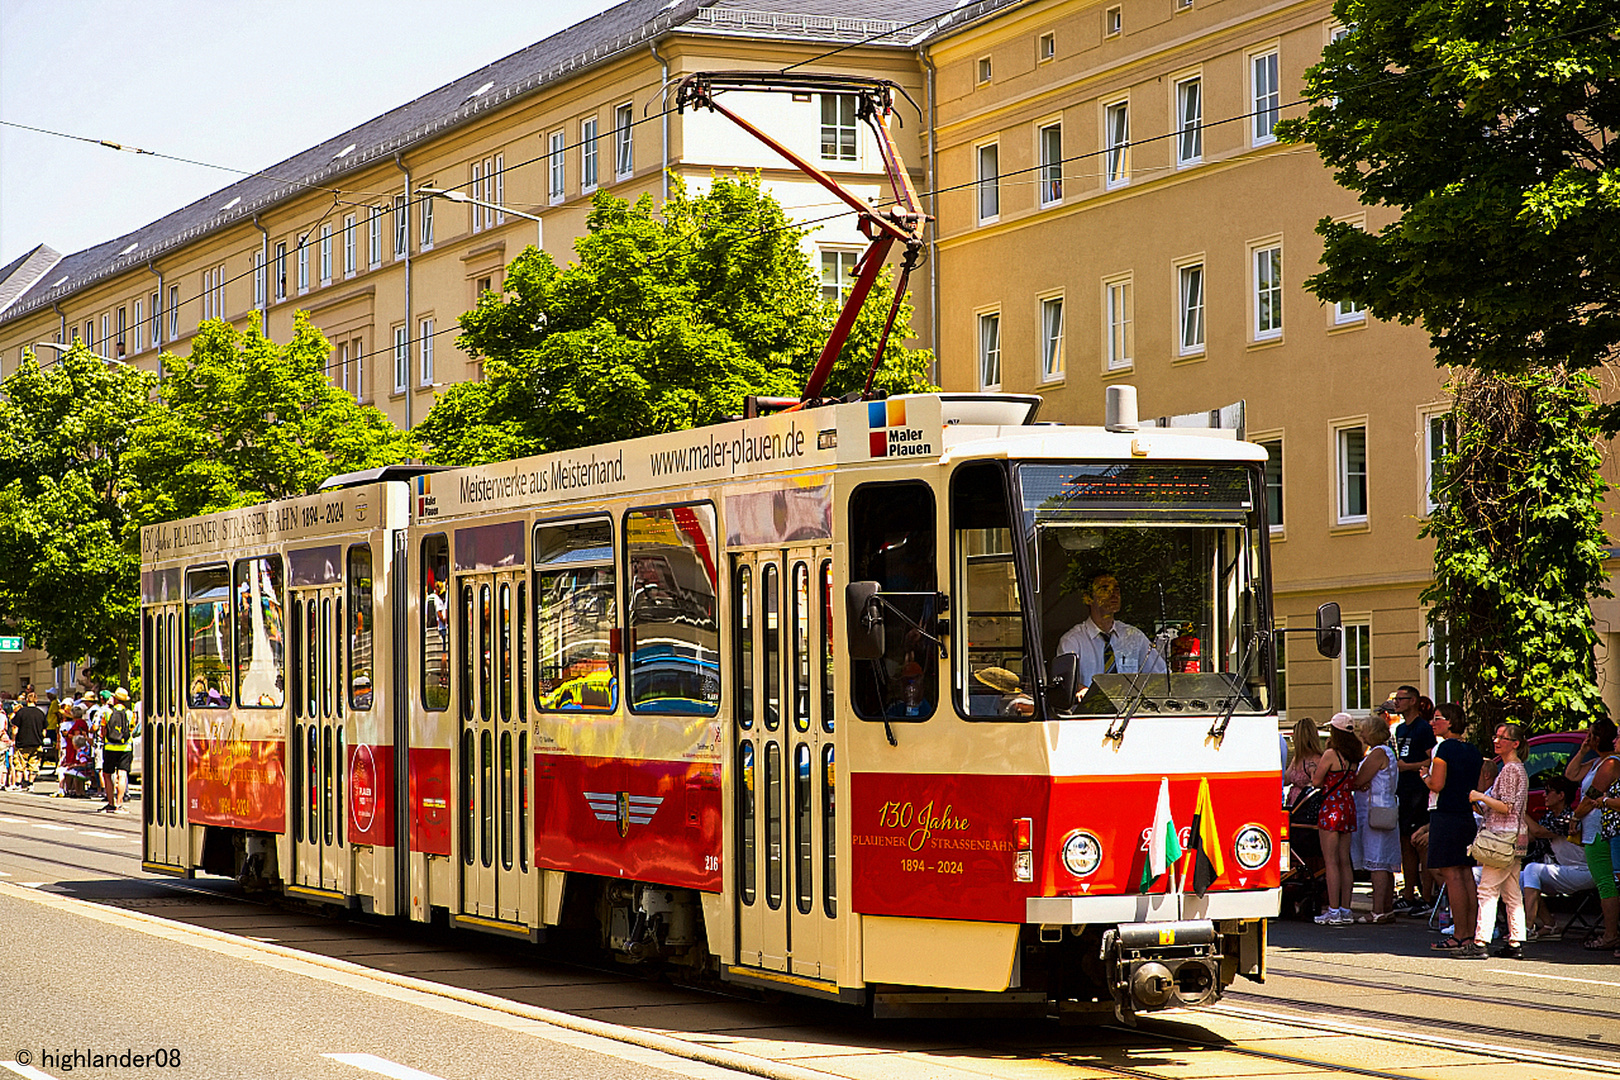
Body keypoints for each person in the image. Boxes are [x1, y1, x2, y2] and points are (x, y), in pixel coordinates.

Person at [1456, 722, 1529, 959]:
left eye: (1502, 738)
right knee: (1511, 892)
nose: (1496, 741)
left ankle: (1480, 942)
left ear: (1515, 744)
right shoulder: (1518, 769)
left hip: (1501, 838)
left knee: (1487, 890)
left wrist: (1479, 796)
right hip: (1515, 837)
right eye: (1496, 736)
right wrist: (1483, 805)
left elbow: (1506, 807)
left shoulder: (1509, 770)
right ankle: (1516, 941)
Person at [1424, 702, 1483, 952]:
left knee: (1452, 875)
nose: (1433, 722)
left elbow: (1437, 784)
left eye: (1438, 718)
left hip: (1445, 814)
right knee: (1466, 873)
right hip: (1464, 814)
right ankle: (1469, 932)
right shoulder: (1473, 750)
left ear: (1450, 722)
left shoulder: (1444, 747)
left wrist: (1423, 776)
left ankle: (1459, 933)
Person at [1055, 572, 1167, 689]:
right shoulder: (1073, 641)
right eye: (1104, 589)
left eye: (1116, 589)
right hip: (1089, 707)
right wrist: (1081, 691)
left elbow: (1161, 677)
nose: (1113, 594)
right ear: (1088, 598)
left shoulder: (1134, 637)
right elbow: (1063, 686)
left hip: (1127, 707)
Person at [1568, 717, 1620, 953]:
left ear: (1599, 737)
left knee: (1606, 882)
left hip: (1601, 830)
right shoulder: (1598, 761)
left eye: (1591, 735)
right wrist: (1582, 751)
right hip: (1593, 831)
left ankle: (1611, 934)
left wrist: (1575, 817)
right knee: (1606, 882)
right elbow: (1571, 774)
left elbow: (1591, 795)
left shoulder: (1610, 763)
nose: (1587, 738)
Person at [1520, 776, 1591, 939]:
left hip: (1583, 870)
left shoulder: (1568, 818)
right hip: (1563, 870)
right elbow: (1531, 836)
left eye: (1548, 791)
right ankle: (1549, 924)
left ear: (1561, 795)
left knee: (1532, 869)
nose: (1544, 795)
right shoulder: (1549, 817)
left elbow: (1538, 832)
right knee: (1517, 878)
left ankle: (1527, 927)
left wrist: (1521, 811)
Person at [1387, 685, 1437, 914]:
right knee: (1405, 842)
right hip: (1404, 791)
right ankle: (1409, 892)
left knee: (1420, 844)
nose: (1397, 703)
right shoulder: (1400, 730)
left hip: (1419, 792)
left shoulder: (1423, 729)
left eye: (1402, 699)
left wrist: (1409, 767)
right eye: (1396, 699)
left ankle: (1427, 896)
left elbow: (1432, 760)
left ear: (1414, 701)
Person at [1313, 713, 1363, 926]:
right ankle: (1345, 908)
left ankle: (1333, 910)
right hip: (1347, 806)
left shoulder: (1331, 754)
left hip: (1331, 807)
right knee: (1345, 861)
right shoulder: (1354, 754)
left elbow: (1317, 781)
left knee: (1330, 861)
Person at [1351, 714, 1400, 923]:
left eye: (1363, 730)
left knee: (1377, 863)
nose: (1361, 734)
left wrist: (1360, 782)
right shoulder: (1386, 752)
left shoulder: (1377, 753)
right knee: (1385, 863)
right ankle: (1386, 907)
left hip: (1375, 812)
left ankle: (1378, 910)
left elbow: (1360, 780)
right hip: (1385, 810)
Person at [98, 687, 135, 813]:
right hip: (125, 747)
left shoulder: (107, 713)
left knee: (107, 775)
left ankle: (110, 803)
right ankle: (119, 804)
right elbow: (131, 730)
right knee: (122, 774)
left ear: (114, 699)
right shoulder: (130, 714)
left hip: (110, 747)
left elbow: (103, 731)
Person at [7, 689, 47, 791]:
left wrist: (14, 740)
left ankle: (18, 784)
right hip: (36, 742)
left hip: (22, 742)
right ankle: (30, 784)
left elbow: (15, 729)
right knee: (33, 765)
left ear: (26, 700)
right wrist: (41, 740)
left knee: (20, 764)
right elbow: (44, 731)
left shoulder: (21, 712)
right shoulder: (40, 713)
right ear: (36, 700)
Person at [1284, 717, 1323, 808]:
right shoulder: (1297, 758)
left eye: (1295, 736)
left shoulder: (1316, 759)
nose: (1293, 739)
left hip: (1305, 807)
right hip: (1293, 805)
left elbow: (1317, 785)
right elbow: (1286, 780)